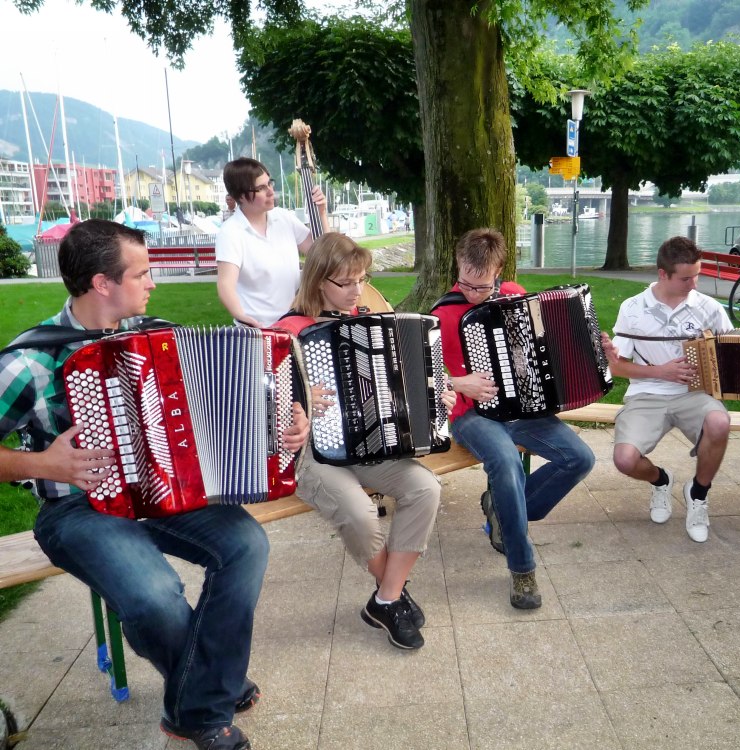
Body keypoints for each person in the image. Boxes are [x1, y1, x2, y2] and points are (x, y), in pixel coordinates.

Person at [0, 219, 310, 750]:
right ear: (103, 283)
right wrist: (47, 465)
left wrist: (287, 422)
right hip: (77, 509)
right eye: (143, 274)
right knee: (154, 596)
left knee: (246, 544)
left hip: (170, 492)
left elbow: (241, 402)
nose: (154, 284)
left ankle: (199, 698)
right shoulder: (28, 361)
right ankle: (208, 704)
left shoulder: (162, 337)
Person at [274, 232, 452, 650]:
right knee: (359, 515)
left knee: (425, 487)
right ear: (319, 282)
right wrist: (297, 397)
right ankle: (392, 594)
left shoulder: (370, 321)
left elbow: (408, 381)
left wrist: (434, 395)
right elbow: (256, 400)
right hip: (313, 452)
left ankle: (386, 597)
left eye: (361, 279)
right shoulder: (287, 332)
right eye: (346, 282)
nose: (357, 290)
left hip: (372, 443)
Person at [430, 228, 595, 609]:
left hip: (522, 411)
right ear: (458, 265)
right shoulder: (441, 314)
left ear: (499, 271)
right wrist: (460, 381)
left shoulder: (515, 297)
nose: (472, 294)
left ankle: (503, 507)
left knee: (580, 459)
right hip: (471, 414)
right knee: (505, 462)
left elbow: (539, 351)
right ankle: (522, 570)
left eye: (482, 287)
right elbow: (420, 373)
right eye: (467, 284)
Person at [608, 236, 740, 542]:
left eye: (697, 275)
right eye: (686, 278)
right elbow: (616, 366)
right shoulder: (633, 308)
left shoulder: (707, 307)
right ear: (663, 274)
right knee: (624, 460)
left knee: (720, 421)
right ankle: (661, 480)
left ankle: (698, 494)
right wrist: (660, 372)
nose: (694, 284)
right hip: (646, 394)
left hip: (695, 394)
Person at [215, 157, 330, 328]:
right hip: (261, 329)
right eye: (261, 188)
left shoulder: (283, 217)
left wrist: (321, 213)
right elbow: (226, 285)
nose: (270, 191)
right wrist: (241, 316)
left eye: (270, 183)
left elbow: (323, 253)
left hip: (296, 322)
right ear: (241, 196)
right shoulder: (231, 232)